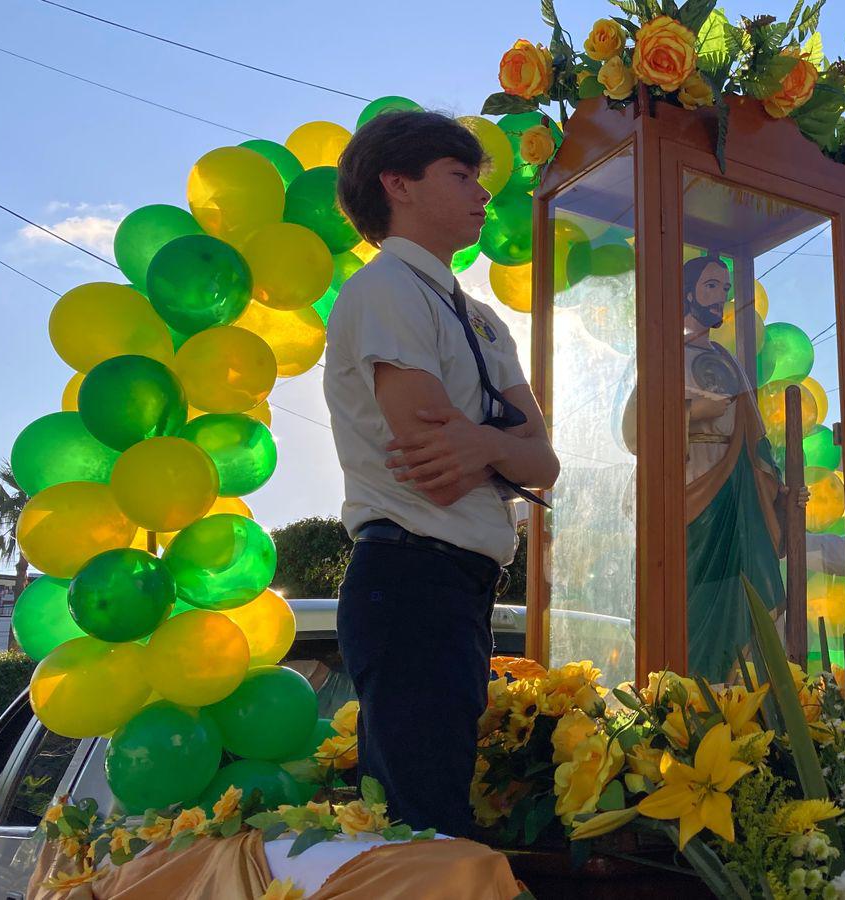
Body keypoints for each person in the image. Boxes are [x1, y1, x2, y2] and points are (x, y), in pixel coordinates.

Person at [324, 110, 559, 837]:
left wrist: (483, 445)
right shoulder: (386, 287)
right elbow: (433, 459)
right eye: (460, 176)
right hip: (411, 580)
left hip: (456, 587)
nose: (482, 195)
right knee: (426, 834)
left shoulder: (481, 316)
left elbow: (544, 462)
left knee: (434, 826)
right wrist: (500, 444)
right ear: (398, 184)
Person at [621, 256, 799, 680]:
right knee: (689, 592)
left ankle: (741, 688)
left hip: (737, 491)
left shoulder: (728, 360)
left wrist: (777, 491)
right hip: (684, 484)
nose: (723, 296)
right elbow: (635, 430)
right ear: (686, 293)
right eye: (712, 286)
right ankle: (688, 686)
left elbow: (754, 433)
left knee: (747, 588)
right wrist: (691, 412)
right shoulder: (663, 355)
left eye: (725, 287)